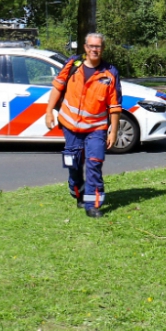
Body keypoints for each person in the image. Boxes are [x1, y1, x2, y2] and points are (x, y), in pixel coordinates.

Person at [45, 33, 122, 218]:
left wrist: (113, 131)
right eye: (91, 46)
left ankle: (93, 205)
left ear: (102, 49)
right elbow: (57, 86)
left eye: (98, 47)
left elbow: (115, 106)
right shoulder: (73, 64)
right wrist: (49, 111)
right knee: (73, 162)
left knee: (94, 163)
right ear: (85, 47)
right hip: (70, 126)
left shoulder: (110, 73)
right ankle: (77, 190)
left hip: (96, 128)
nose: (94, 50)